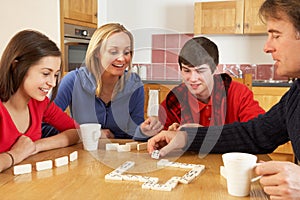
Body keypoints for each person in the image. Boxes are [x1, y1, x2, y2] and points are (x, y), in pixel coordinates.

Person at [148, 0, 300, 198]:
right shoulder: (295, 95)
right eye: (187, 71)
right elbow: (253, 134)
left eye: (276, 35)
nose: (267, 47)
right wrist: (185, 138)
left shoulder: (236, 93)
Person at [42, 23, 162, 140]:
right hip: (81, 154)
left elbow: (132, 132)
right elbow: (44, 126)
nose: (122, 58)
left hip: (119, 156)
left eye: (126, 52)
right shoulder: (72, 81)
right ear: (96, 53)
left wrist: (144, 130)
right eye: (113, 52)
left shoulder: (135, 84)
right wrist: (87, 134)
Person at [0, 30, 80, 173]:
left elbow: (76, 132)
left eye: (55, 75)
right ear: (16, 66)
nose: (52, 83)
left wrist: (36, 146)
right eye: (45, 73)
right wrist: (15, 155)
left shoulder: (39, 104)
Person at [159, 36, 265, 131]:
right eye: (187, 71)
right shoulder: (174, 99)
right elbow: (159, 138)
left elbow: (260, 131)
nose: (193, 79)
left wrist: (202, 134)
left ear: (214, 69)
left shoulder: (239, 94)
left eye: (200, 71)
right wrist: (170, 135)